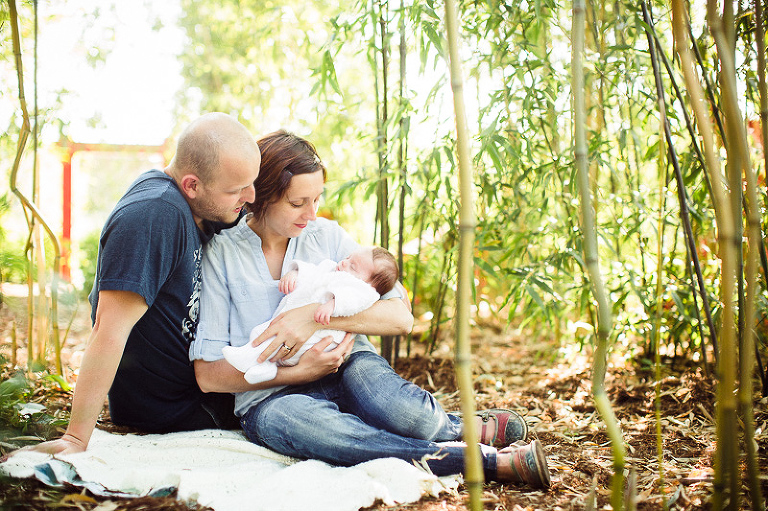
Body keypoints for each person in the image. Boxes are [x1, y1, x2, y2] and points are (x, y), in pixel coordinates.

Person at [191, 130, 551, 488]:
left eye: (317, 199)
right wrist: (300, 372)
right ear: (261, 194)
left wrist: (313, 318)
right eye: (298, 203)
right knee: (335, 436)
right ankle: (485, 462)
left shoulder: (327, 235)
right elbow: (208, 376)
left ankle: (451, 426)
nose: (312, 214)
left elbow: (400, 316)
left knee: (410, 416)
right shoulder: (222, 254)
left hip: (350, 365)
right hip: (273, 397)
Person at [20, 112, 262, 456]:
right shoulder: (153, 215)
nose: (250, 196)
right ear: (192, 185)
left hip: (202, 391)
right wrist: (75, 439)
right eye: (236, 190)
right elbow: (108, 330)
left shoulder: (194, 206)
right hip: (180, 408)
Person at [222, 246, 399, 384]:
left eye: (353, 266)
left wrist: (333, 305)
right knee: (262, 332)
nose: (344, 263)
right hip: (294, 327)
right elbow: (312, 271)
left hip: (317, 340)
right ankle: (265, 368)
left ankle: (248, 358)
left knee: (270, 340)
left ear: (370, 284)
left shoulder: (362, 290)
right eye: (348, 258)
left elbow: (355, 300)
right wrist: (294, 274)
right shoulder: (332, 269)